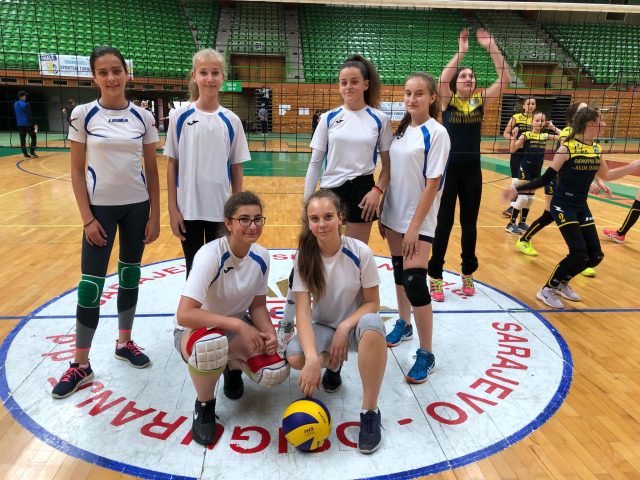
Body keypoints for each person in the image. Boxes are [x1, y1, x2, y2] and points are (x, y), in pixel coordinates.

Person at [51, 46, 160, 399]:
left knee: (130, 276)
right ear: (94, 77)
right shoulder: (83, 114)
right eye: (104, 72)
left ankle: (124, 343)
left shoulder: (143, 117)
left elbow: (152, 170)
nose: (111, 78)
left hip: (137, 208)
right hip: (100, 211)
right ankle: (80, 364)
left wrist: (155, 214)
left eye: (117, 70)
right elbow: (75, 170)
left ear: (127, 73)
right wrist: (87, 218)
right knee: (90, 285)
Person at [175, 191, 287, 445]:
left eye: (257, 219)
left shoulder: (261, 256)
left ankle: (232, 368)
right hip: (196, 331)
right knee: (210, 346)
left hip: (234, 328)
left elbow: (258, 306)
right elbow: (185, 314)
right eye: (243, 219)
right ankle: (204, 406)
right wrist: (238, 324)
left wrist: (269, 334)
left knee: (275, 370)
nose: (252, 226)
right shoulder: (210, 255)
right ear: (228, 223)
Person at [503, 107, 640, 309]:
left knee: (595, 255)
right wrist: (517, 189)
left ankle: (562, 283)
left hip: (581, 206)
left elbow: (607, 175)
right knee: (578, 253)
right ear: (591, 124)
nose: (604, 125)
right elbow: (545, 179)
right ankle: (547, 289)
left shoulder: (596, 149)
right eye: (601, 121)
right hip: (562, 205)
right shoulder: (566, 148)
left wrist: (634, 166)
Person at [286, 190, 387, 454]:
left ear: (341, 217)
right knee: (296, 357)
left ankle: (370, 412)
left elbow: (372, 303)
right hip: (322, 326)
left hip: (354, 327)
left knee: (374, 326)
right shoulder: (304, 257)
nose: (322, 224)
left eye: (328, 216)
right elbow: (303, 313)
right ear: (308, 223)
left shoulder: (360, 252)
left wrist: (344, 326)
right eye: (315, 218)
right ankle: (333, 365)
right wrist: (311, 359)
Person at [427, 28, 510, 302]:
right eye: (463, 76)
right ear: (456, 83)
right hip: (448, 171)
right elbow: (442, 79)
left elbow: (505, 79)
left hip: (472, 171)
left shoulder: (479, 102)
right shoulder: (448, 102)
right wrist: (461, 52)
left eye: (471, 76)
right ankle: (435, 276)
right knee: (443, 224)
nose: (468, 79)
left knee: (469, 225)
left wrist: (492, 46)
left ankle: (467, 273)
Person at [380, 72, 450, 384]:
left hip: (418, 219)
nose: (412, 99)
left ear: (432, 97)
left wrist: (413, 227)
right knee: (399, 271)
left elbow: (432, 184)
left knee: (415, 281)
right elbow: (391, 172)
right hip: (393, 214)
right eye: (408, 93)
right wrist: (383, 208)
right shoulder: (401, 132)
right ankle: (404, 323)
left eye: (419, 93)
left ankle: (427, 353)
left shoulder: (437, 133)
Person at [165, 48, 250, 277]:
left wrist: (236, 211)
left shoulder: (231, 120)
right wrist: (172, 209)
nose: (209, 78)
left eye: (215, 73)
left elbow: (236, 167)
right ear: (194, 76)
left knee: (220, 271)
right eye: (203, 72)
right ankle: (192, 303)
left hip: (220, 211)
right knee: (193, 270)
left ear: (223, 77)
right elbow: (172, 164)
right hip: (188, 209)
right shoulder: (179, 117)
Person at [304, 54, 392, 245]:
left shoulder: (380, 119)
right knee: (327, 251)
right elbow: (315, 163)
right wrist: (307, 202)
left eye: (354, 82)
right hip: (331, 190)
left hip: (363, 191)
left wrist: (377, 191)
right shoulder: (328, 118)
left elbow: (388, 166)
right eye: (343, 82)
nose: (348, 87)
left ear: (366, 84)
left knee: (355, 252)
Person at [515, 102, 610, 278]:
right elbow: (569, 162)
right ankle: (575, 255)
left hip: (570, 185)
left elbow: (588, 160)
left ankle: (579, 257)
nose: (587, 111)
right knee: (550, 215)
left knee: (557, 216)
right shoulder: (567, 134)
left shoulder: (589, 140)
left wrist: (598, 180)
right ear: (576, 116)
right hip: (558, 182)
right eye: (583, 109)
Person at [505, 111, 558, 234]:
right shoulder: (526, 135)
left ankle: (522, 223)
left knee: (530, 199)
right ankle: (510, 224)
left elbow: (565, 137)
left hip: (537, 170)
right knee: (523, 198)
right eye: (537, 120)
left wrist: (553, 127)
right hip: (526, 168)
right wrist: (513, 137)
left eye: (542, 121)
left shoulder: (545, 136)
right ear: (532, 122)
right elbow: (513, 149)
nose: (539, 123)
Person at [502, 97, 536, 218]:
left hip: (530, 154)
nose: (530, 106)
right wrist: (514, 139)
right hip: (517, 152)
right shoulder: (516, 118)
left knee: (527, 182)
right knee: (516, 180)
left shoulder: (537, 119)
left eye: (533, 104)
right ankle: (512, 207)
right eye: (528, 103)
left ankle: (519, 206)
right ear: (523, 106)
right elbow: (505, 133)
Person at [14, 91, 38, 158]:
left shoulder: (15, 104)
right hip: (28, 123)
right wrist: (34, 123)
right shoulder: (26, 104)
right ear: (23, 96)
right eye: (25, 95)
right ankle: (32, 152)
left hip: (20, 124)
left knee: (22, 139)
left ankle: (25, 154)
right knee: (33, 137)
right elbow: (29, 115)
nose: (26, 96)